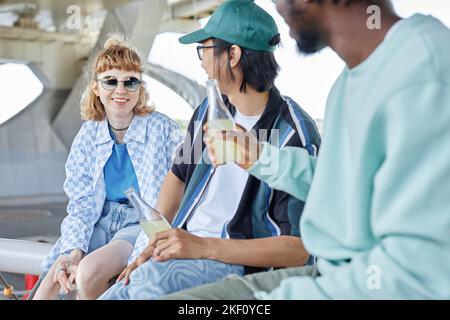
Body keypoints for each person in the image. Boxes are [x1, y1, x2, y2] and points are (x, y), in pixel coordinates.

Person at [163, 0, 450, 299]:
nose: (276, 6)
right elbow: (341, 187)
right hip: (331, 270)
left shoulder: (424, 74)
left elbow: (412, 279)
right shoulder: (348, 83)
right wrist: (261, 158)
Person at [99, 0, 321, 300]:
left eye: (204, 50)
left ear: (233, 54)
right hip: (184, 250)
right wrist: (150, 246)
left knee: (148, 285)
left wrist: (201, 247)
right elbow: (177, 177)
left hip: (240, 267)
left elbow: (299, 250)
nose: (200, 61)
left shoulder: (293, 135)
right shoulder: (207, 111)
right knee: (122, 290)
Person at [32, 35, 181, 300]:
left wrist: (142, 254)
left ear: (140, 88)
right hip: (99, 222)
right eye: (110, 81)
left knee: (88, 272)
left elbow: (176, 192)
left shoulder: (162, 129)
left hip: (138, 224)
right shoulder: (88, 135)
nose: (120, 90)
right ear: (96, 88)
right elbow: (81, 204)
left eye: (130, 81)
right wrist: (74, 250)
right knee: (51, 280)